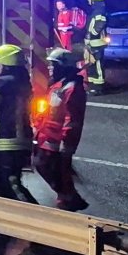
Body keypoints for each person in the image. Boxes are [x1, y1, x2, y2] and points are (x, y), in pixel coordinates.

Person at [0, 45, 38, 203]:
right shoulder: (22, 80)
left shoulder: (4, 82)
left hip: (9, 139)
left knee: (11, 183)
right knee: (0, 181)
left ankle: (37, 215)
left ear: (5, 63)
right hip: (19, 137)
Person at [33, 48, 89, 211]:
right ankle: (68, 197)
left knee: (52, 167)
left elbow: (72, 118)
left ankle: (68, 199)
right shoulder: (59, 84)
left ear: (64, 66)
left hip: (59, 139)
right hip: (48, 135)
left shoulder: (72, 88)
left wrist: (67, 143)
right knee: (48, 166)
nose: (50, 67)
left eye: (53, 64)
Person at [83, 0, 109, 95]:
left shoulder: (99, 11)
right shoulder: (96, 10)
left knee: (97, 64)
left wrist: (92, 34)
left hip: (97, 43)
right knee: (92, 65)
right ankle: (93, 86)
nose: (88, 0)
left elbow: (100, 24)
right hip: (93, 43)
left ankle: (98, 87)